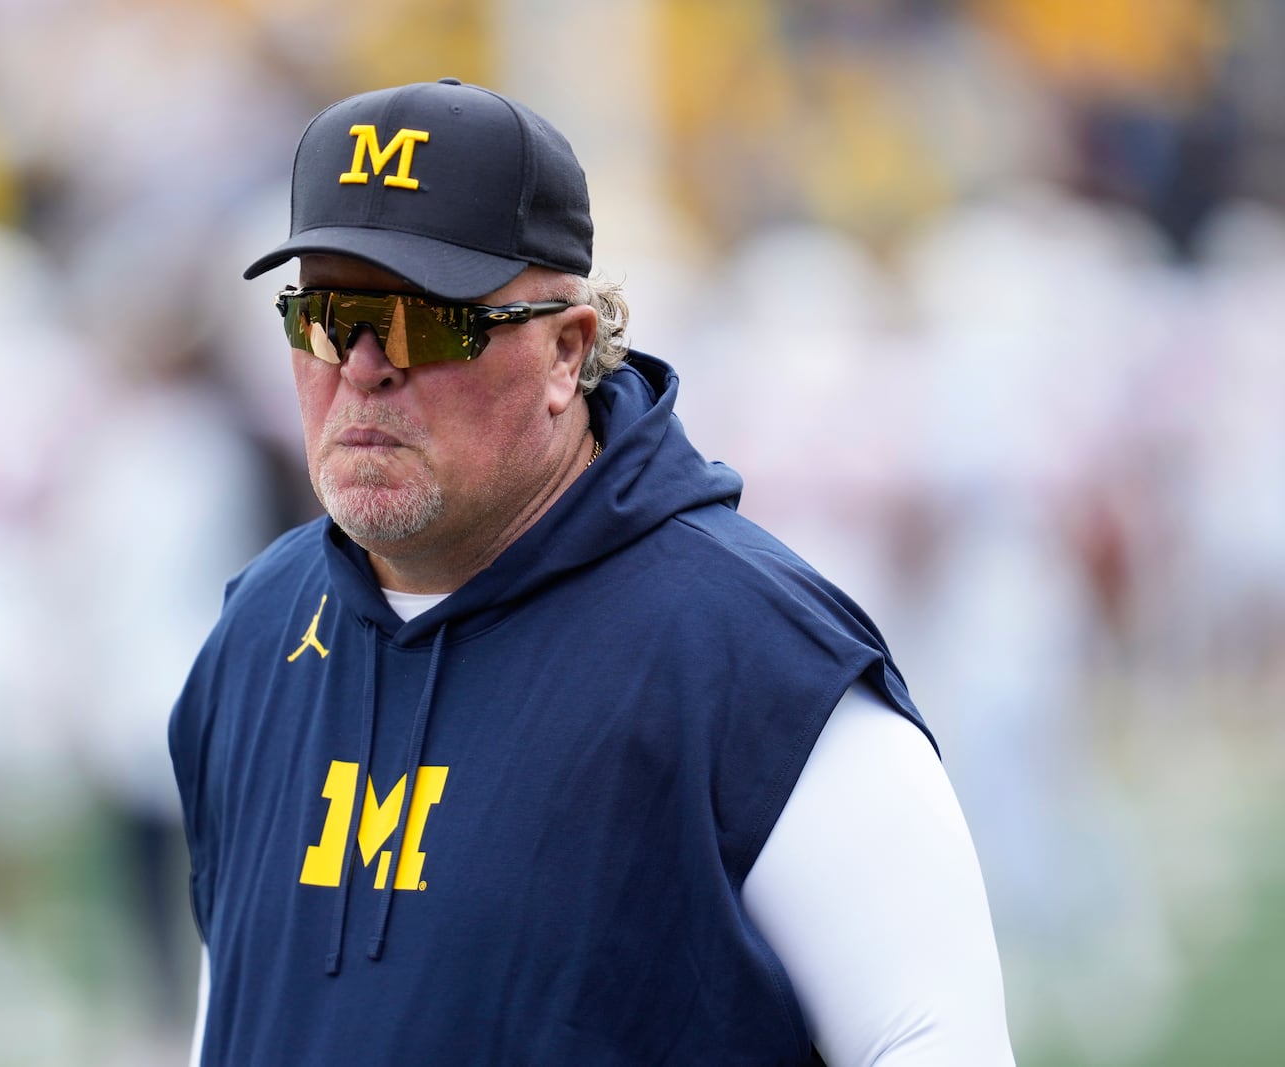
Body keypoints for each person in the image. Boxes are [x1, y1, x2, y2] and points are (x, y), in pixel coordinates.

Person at [169, 78, 1015, 1065]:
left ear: (567, 351)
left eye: (422, 322)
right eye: (324, 314)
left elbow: (926, 1038)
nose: (361, 366)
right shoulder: (261, 629)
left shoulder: (754, 657)